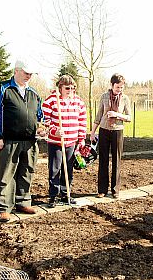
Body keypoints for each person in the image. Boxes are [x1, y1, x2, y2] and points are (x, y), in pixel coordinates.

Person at [0, 59, 45, 222]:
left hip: (30, 142)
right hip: (9, 141)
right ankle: (4, 207)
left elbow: (39, 117)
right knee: (6, 175)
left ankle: (23, 202)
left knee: (27, 172)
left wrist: (41, 129)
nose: (29, 76)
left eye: (31, 73)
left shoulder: (34, 93)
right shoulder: (1, 89)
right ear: (16, 70)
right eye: (26, 72)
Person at [42, 75, 87, 208]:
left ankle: (65, 193)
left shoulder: (78, 102)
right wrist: (54, 130)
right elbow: (44, 121)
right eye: (67, 88)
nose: (70, 90)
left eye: (73, 88)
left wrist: (82, 138)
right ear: (60, 87)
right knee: (55, 169)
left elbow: (82, 121)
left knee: (68, 169)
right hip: (56, 142)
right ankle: (53, 196)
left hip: (71, 142)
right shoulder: (51, 101)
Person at [90, 74, 131, 198]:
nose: (120, 89)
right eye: (118, 87)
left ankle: (115, 190)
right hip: (104, 130)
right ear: (112, 85)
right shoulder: (104, 96)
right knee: (103, 161)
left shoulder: (125, 99)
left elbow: (129, 117)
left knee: (116, 161)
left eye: (122, 87)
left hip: (117, 131)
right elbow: (98, 116)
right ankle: (102, 190)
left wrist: (117, 114)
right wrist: (92, 132)